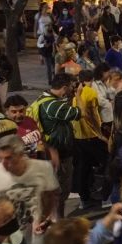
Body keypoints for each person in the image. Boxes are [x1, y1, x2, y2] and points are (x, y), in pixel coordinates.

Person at [0, 135, 59, 244]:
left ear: (21, 154)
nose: (4, 164)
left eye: (9, 158)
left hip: (36, 231)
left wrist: (45, 217)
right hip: (6, 237)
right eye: (0, 158)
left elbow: (50, 195)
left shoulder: (43, 168)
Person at [31, 73, 81, 218]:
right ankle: (57, 219)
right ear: (64, 87)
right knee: (60, 189)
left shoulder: (45, 99)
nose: (73, 89)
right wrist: (77, 96)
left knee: (56, 189)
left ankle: (56, 218)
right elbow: (79, 113)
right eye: (71, 87)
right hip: (59, 153)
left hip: (54, 151)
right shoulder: (53, 105)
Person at [73, 70, 108, 210]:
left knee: (84, 167)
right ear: (91, 80)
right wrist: (100, 134)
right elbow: (91, 115)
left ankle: (85, 198)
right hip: (91, 135)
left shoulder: (77, 94)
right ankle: (106, 196)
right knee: (107, 163)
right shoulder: (90, 92)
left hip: (78, 136)